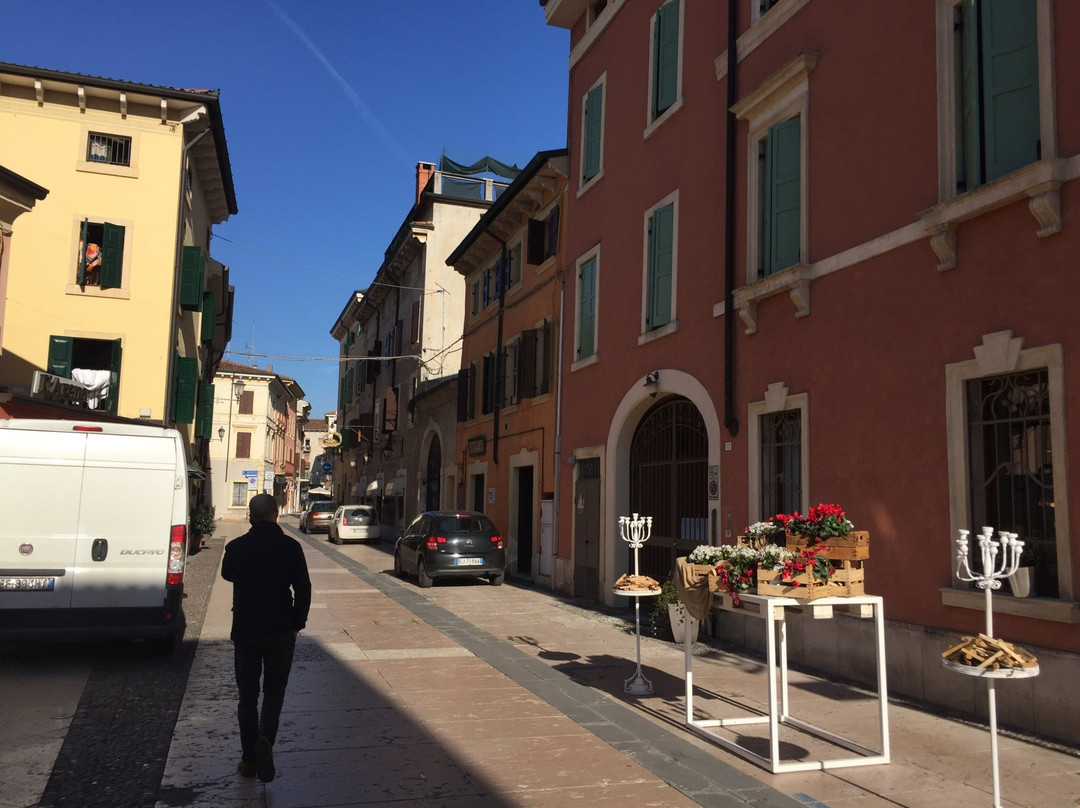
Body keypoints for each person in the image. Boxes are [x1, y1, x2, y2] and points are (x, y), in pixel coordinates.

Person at [221, 493, 311, 783]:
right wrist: (297, 623)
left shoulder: (236, 547)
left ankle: (248, 760)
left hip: (246, 629)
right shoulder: (291, 547)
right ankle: (266, 741)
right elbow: (304, 589)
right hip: (280, 629)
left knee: (247, 697)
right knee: (274, 691)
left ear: (250, 516)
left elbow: (227, 574)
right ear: (277, 513)